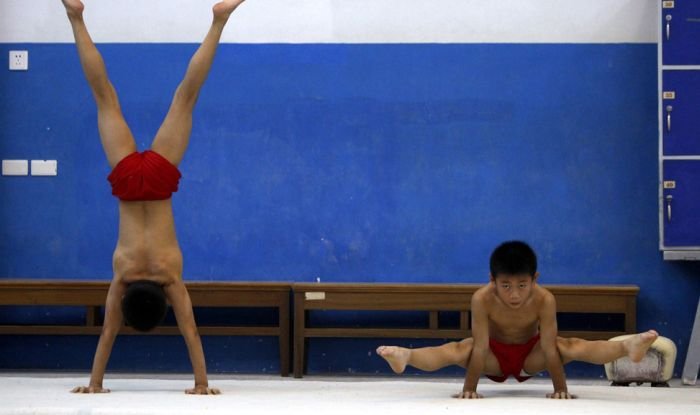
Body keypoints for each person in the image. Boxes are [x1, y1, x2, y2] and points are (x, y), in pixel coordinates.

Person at [61, 0, 248, 394]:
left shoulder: (171, 276)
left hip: (159, 182)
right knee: (103, 96)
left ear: (162, 303)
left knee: (186, 96)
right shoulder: (122, 273)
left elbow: (191, 333)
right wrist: (93, 382)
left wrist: (202, 383)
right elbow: (109, 333)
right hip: (129, 183)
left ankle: (219, 21)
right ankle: (75, 17)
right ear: (127, 300)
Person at [377, 241, 659, 399]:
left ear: (534, 279)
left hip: (530, 357)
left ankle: (627, 347)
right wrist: (469, 390)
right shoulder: (481, 298)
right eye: (506, 286)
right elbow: (481, 346)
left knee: (568, 344)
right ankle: (406, 356)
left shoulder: (544, 299)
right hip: (492, 358)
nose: (514, 295)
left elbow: (548, 348)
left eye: (522, 285)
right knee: (459, 348)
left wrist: (560, 389)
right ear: (493, 280)